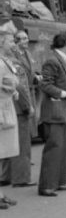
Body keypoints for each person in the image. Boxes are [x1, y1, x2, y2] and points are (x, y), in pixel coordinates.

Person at [38, 32, 66, 196]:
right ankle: (47, 185)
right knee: (54, 148)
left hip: (62, 111)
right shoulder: (52, 60)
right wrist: (65, 94)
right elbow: (45, 85)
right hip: (54, 112)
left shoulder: (63, 59)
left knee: (61, 148)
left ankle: (60, 181)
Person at [0, 22, 23, 205]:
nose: (13, 44)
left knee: (2, 153)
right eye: (10, 41)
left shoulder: (5, 60)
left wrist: (12, 91)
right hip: (1, 111)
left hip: (6, 107)